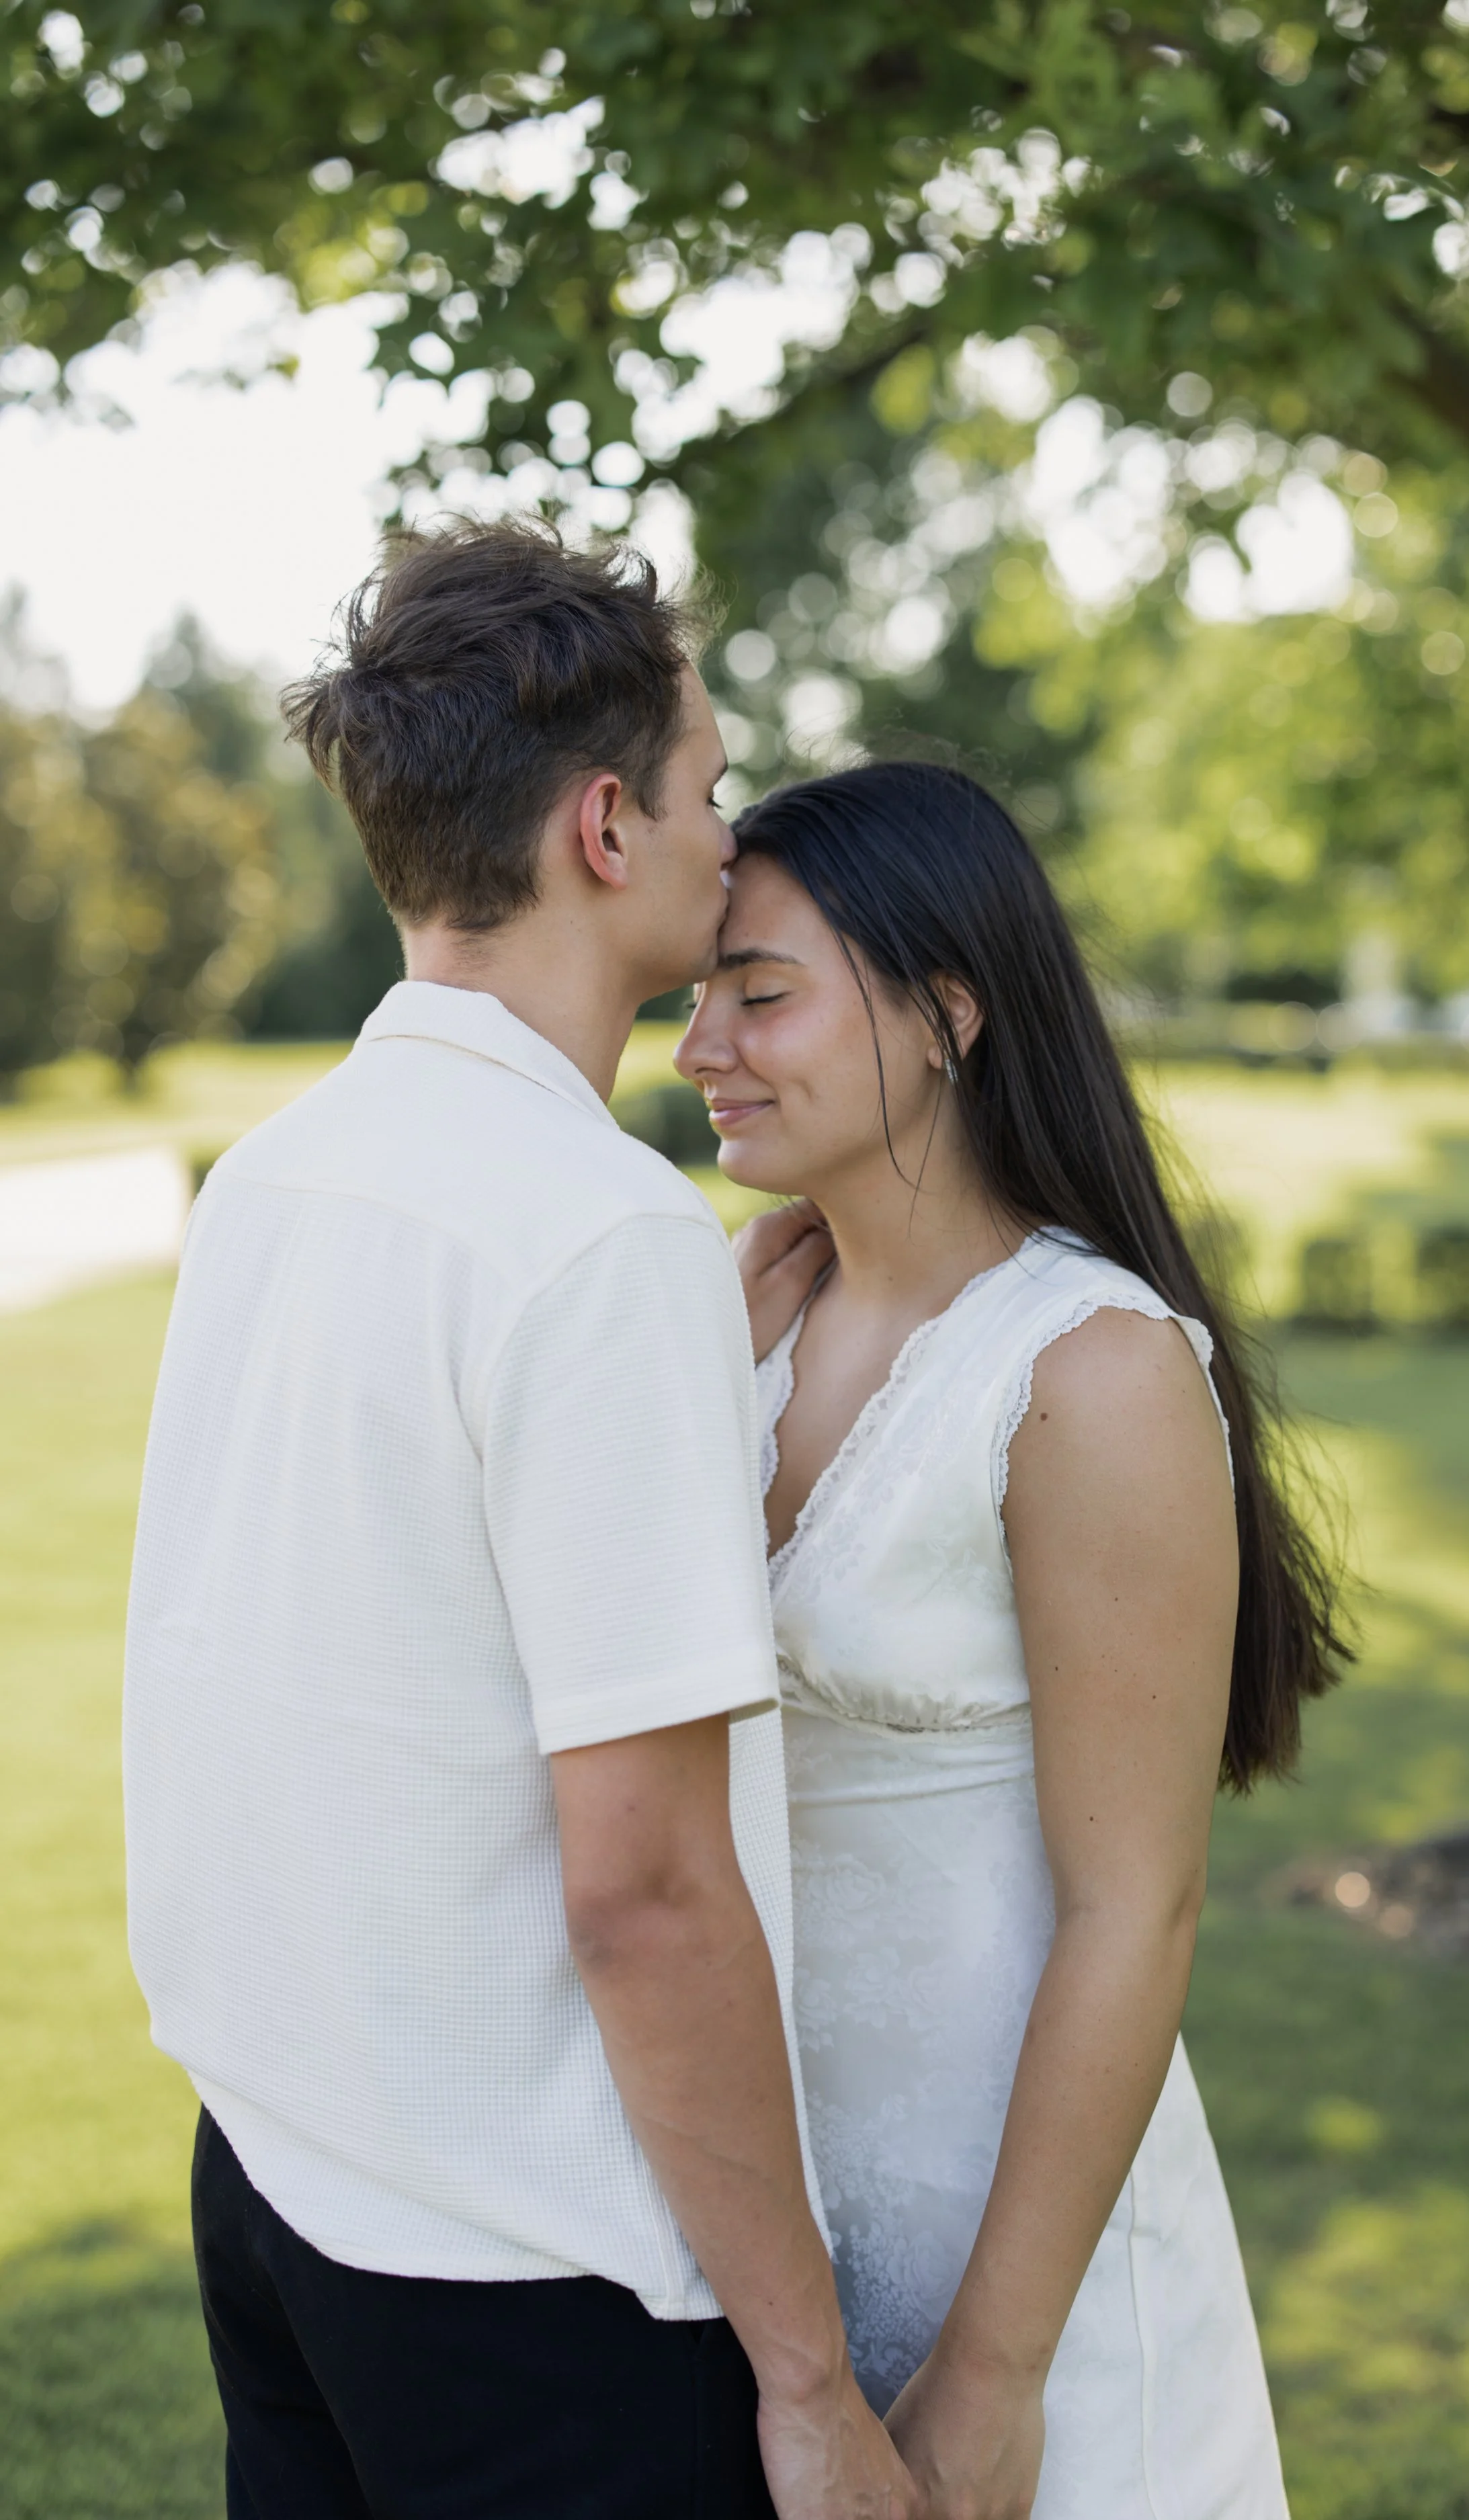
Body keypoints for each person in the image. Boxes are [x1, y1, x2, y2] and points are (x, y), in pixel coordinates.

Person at [123, 521, 916, 2520]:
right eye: (710, 789)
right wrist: (809, 2378)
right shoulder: (598, 1239)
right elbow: (642, 1887)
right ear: (601, 826)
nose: (730, 840)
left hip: (279, 2188)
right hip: (525, 2276)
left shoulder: (278, 1181)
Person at [675, 761, 1346, 2519]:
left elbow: (1139, 1904)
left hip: (1017, 2251)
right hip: (762, 2240)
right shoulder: (738, 1314)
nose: (699, 1049)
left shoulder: (1088, 1367)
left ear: (944, 1013)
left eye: (760, 995)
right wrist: (681, 1386)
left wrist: (995, 2364)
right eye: (696, 996)